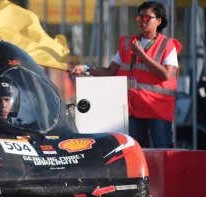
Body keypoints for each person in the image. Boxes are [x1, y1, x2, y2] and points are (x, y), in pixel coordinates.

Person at [71, 1, 182, 148]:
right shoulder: (128, 43)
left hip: (157, 110)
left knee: (163, 147)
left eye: (147, 18)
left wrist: (141, 54)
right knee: (138, 150)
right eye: (140, 18)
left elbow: (166, 75)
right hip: (133, 109)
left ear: (159, 21)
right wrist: (85, 69)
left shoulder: (167, 45)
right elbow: (111, 71)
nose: (142, 21)